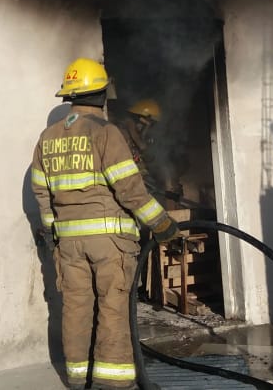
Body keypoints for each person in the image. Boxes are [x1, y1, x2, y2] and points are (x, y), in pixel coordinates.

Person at [32, 58, 180, 390]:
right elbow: (130, 190)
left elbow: (41, 192)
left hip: (68, 245)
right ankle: (113, 383)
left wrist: (55, 233)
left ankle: (78, 379)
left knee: (75, 309)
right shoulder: (105, 132)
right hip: (110, 243)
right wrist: (162, 225)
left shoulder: (48, 138)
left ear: (69, 95)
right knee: (113, 308)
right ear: (101, 93)